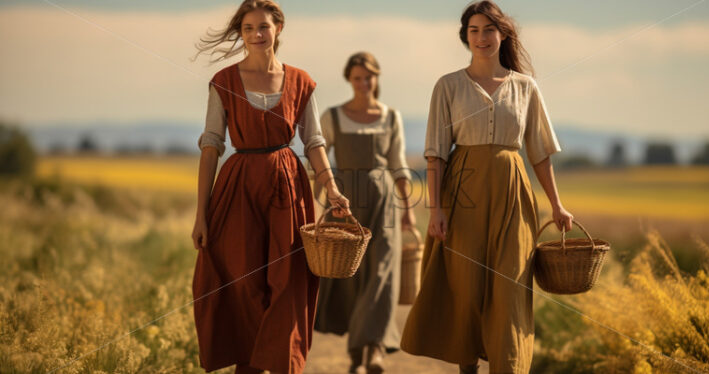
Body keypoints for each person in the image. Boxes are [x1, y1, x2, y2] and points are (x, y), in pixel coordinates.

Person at [400, 1, 573, 374]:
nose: (481, 37)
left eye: (489, 29)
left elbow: (540, 152)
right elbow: (435, 155)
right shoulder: (447, 85)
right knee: (465, 287)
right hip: (462, 195)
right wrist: (435, 209)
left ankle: (506, 366)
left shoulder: (525, 87)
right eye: (474, 30)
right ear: (465, 37)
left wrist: (557, 205)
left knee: (510, 285)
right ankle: (467, 369)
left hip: (513, 194)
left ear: (503, 34)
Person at [190, 1, 350, 373]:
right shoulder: (224, 81)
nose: (256, 35)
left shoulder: (301, 81)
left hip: (288, 186)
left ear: (278, 28)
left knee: (287, 281)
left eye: (263, 27)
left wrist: (333, 189)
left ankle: (282, 366)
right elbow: (211, 145)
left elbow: (314, 143)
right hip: (237, 187)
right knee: (242, 283)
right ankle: (248, 365)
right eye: (248, 29)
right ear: (241, 34)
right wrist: (201, 214)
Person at [311, 52, 416, 374]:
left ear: (377, 78)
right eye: (357, 78)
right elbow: (318, 162)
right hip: (344, 202)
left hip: (384, 200)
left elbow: (399, 165)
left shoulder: (390, 116)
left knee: (382, 273)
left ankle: (374, 351)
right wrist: (313, 202)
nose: (363, 83)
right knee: (351, 276)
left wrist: (408, 211)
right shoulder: (332, 116)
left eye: (368, 77)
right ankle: (357, 354)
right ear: (349, 80)